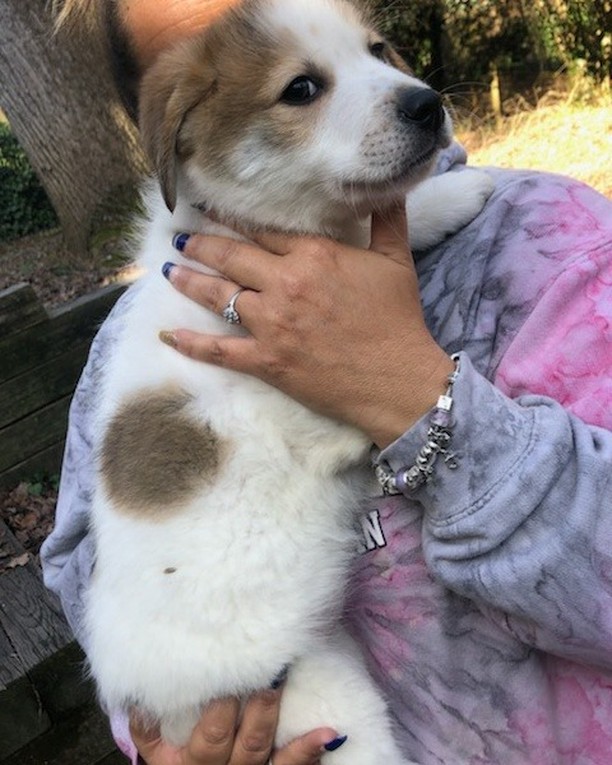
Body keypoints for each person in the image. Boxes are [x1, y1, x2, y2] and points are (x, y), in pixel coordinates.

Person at [42, 1, 612, 764]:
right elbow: (86, 572)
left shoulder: (552, 248)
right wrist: (170, 744)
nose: (396, 89)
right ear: (177, 131)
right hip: (249, 669)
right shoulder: (161, 325)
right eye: (302, 89)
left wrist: (403, 383)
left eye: (373, 49)